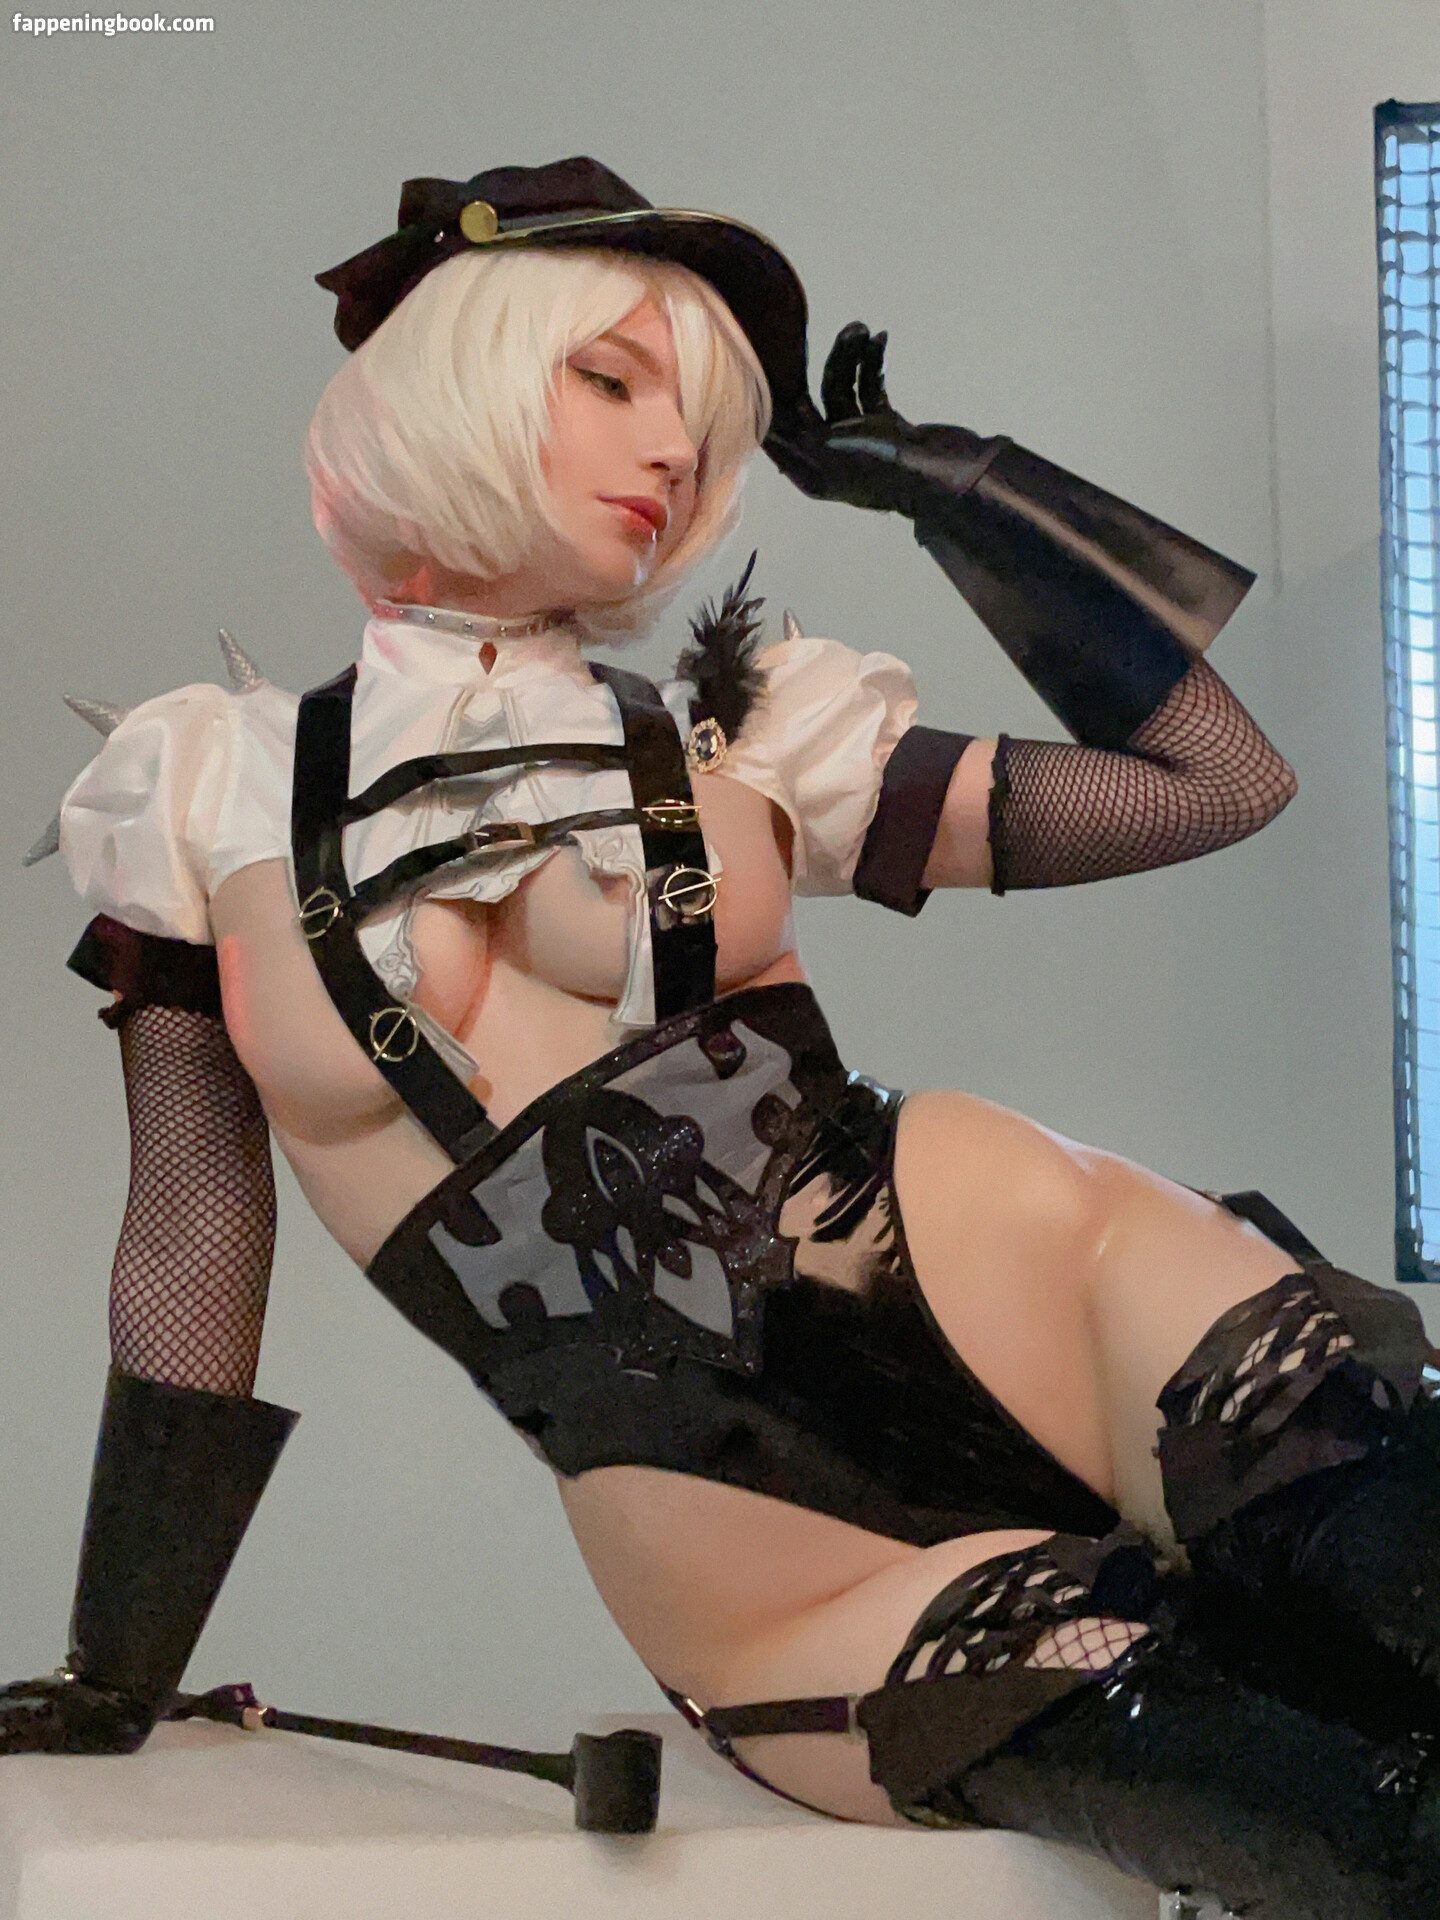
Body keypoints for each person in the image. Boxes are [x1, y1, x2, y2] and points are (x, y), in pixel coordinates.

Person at [6, 156, 1440, 1917]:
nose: (672, 446)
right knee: (1383, 1837)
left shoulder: (748, 737)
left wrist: (960, 494)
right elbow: (194, 1231)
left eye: (696, 412)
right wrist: (120, 1664)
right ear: (449, 379)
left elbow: (1216, 783)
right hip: (774, 1564)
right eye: (611, 379)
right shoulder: (203, 791)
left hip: (1078, 1290)